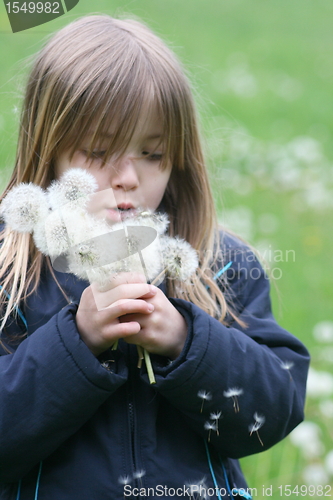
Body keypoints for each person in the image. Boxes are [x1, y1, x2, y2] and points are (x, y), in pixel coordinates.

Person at [0, 14, 309, 500]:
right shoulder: (11, 274)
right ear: (48, 149)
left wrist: (189, 341)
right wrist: (74, 345)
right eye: (99, 150)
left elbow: (268, 416)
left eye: (152, 153)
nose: (127, 176)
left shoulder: (218, 266)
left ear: (179, 156)